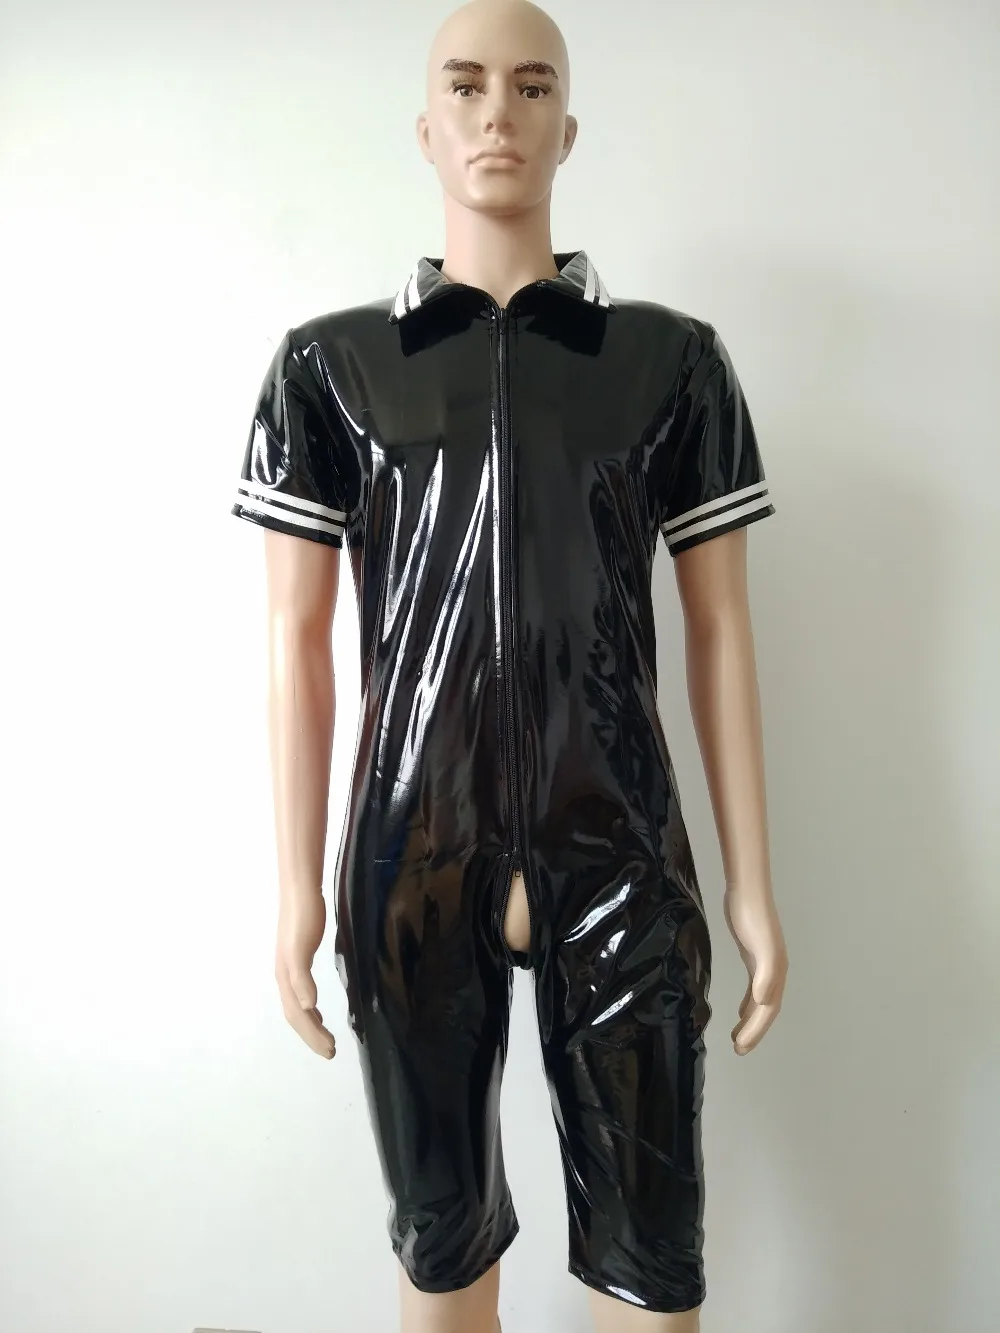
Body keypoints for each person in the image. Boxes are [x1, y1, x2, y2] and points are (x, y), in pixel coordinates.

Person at [230, 2, 789, 1330]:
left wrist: (752, 885)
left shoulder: (669, 361)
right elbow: (295, 644)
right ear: (426, 128)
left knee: (652, 1271)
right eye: (467, 87)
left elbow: (721, 629)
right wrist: (298, 890)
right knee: (443, 1260)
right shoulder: (331, 368)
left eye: (532, 88)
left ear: (568, 129)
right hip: (410, 859)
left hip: (625, 850)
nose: (498, 114)